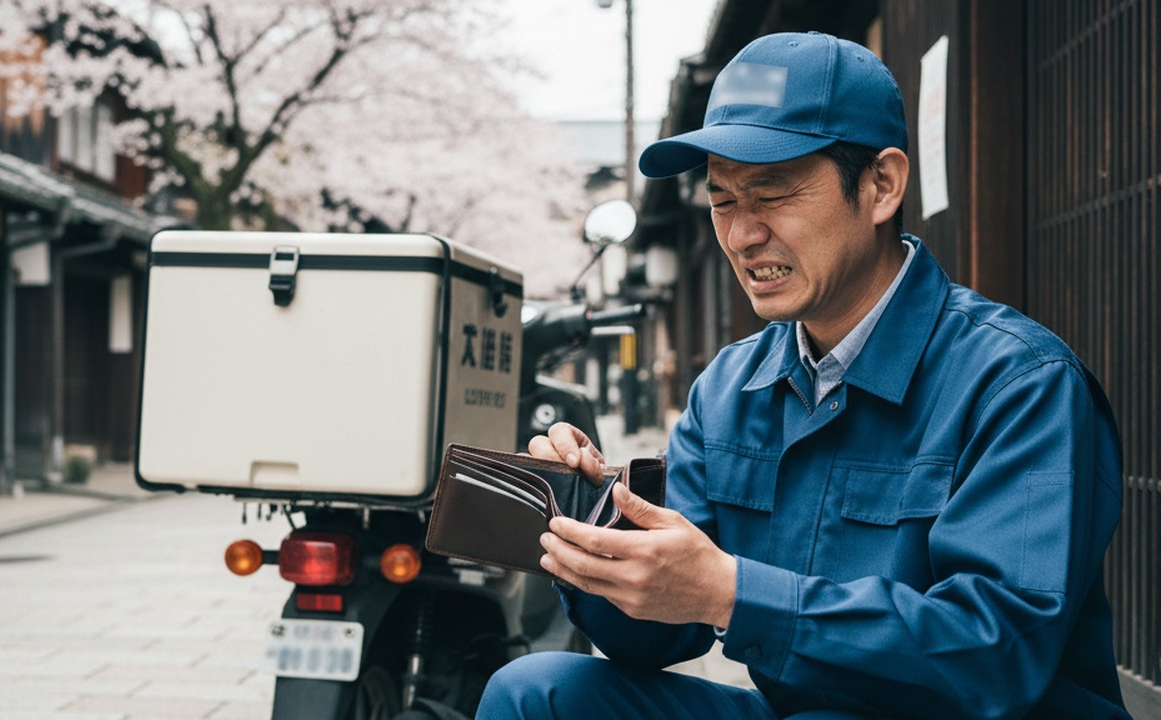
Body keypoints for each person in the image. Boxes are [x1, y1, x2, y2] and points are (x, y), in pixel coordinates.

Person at [475, 31, 1130, 720]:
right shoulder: (730, 388)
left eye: (774, 193)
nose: (742, 234)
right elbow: (662, 636)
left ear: (881, 185)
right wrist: (593, 533)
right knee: (534, 693)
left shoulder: (1019, 382)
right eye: (723, 200)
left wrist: (729, 592)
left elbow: (995, 654)